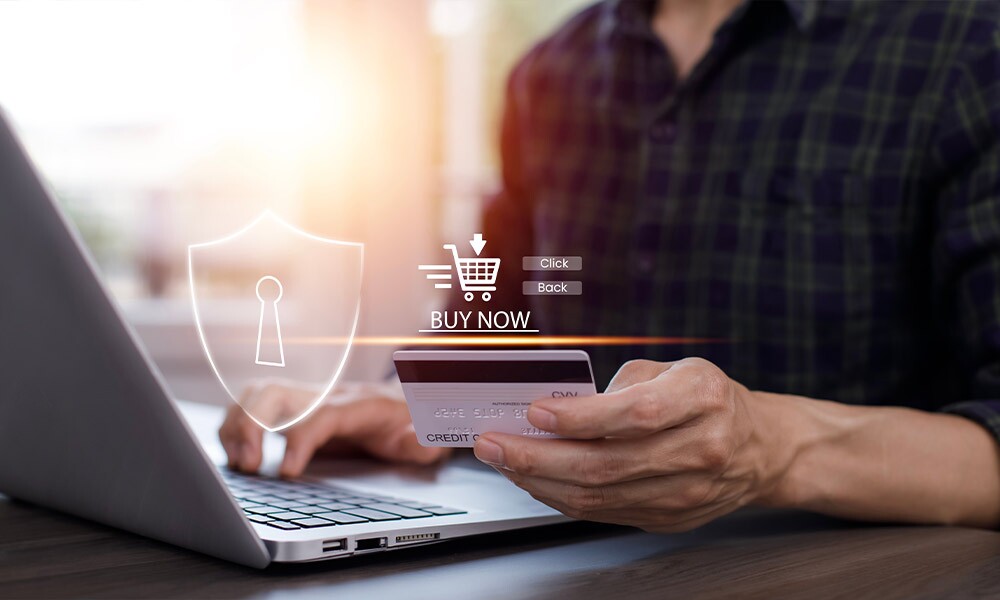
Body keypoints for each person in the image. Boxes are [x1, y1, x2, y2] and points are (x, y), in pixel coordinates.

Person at [220, 0, 1000, 531]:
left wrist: (775, 446)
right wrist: (419, 409)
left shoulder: (967, 49)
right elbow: (492, 343)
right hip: (560, 562)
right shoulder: (546, 75)